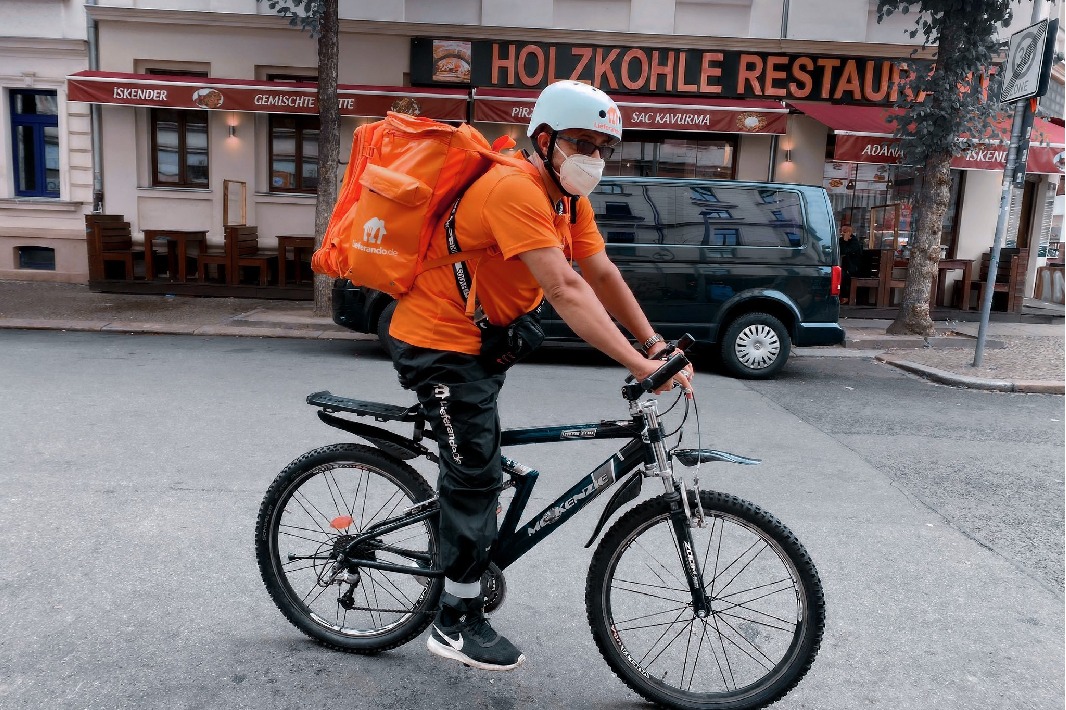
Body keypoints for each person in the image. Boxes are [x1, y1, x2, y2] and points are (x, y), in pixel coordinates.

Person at [386, 81, 694, 672]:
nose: (594, 158)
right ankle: (454, 620)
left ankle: (469, 512)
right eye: (583, 143)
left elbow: (600, 272)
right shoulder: (513, 189)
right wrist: (638, 365)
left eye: (604, 147)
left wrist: (654, 343)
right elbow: (565, 287)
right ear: (546, 140)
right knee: (475, 474)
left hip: (483, 343)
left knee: (478, 454)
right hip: (439, 342)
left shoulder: (566, 200)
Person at [839, 224, 862, 304]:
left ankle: (844, 296)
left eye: (844, 232)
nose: (842, 233)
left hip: (853, 268)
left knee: (842, 275)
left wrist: (845, 241)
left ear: (849, 232)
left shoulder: (854, 242)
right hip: (844, 267)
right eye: (841, 231)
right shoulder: (841, 240)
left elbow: (843, 252)